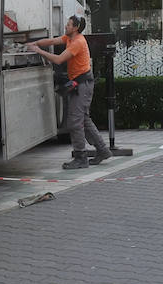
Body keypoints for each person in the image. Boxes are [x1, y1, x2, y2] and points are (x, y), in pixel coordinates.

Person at [27, 15, 112, 169]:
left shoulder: (78, 42)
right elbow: (53, 41)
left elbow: (59, 60)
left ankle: (81, 157)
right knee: (83, 119)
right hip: (80, 83)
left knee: (75, 121)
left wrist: (38, 50)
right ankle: (103, 150)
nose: (66, 26)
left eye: (68, 24)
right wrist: (35, 43)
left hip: (83, 84)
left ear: (76, 27)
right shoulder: (69, 38)